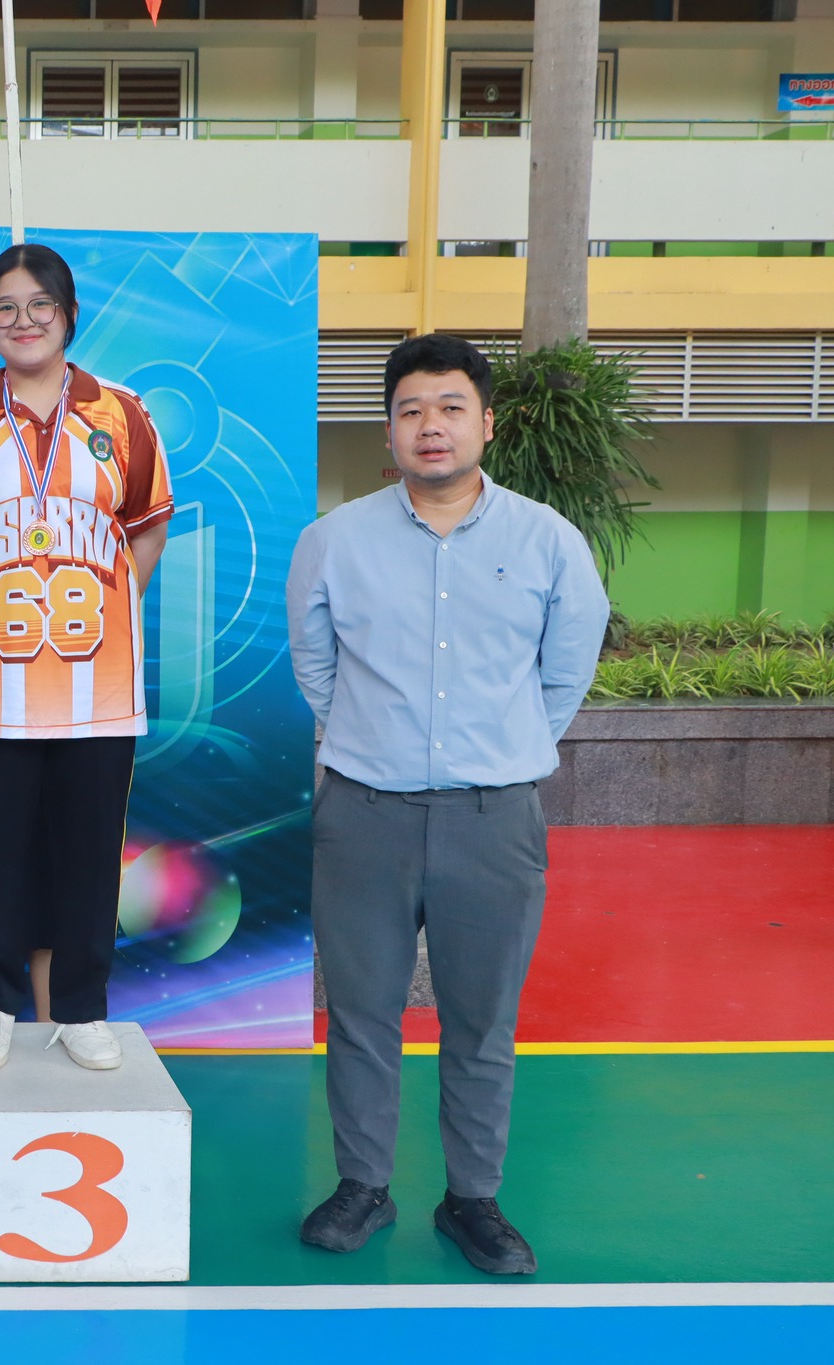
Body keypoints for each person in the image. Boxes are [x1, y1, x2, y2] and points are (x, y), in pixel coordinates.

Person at [288, 333, 609, 1275]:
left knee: (481, 1018)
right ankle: (363, 1185)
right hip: (364, 813)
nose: (431, 426)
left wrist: (501, 750)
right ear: (389, 430)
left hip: (492, 817)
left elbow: (566, 671)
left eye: (451, 407)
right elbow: (315, 666)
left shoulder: (548, 541)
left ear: (487, 423)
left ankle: (472, 1198)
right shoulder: (334, 540)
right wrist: (373, 740)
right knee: (361, 1013)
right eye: (412, 410)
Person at [0, 243, 173, 1072]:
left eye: (39, 305)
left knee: (88, 848)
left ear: (69, 314)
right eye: (4, 309)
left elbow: (148, 524)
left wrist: (114, 604)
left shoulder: (121, 414)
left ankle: (83, 1007)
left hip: (98, 683)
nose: (23, 321)